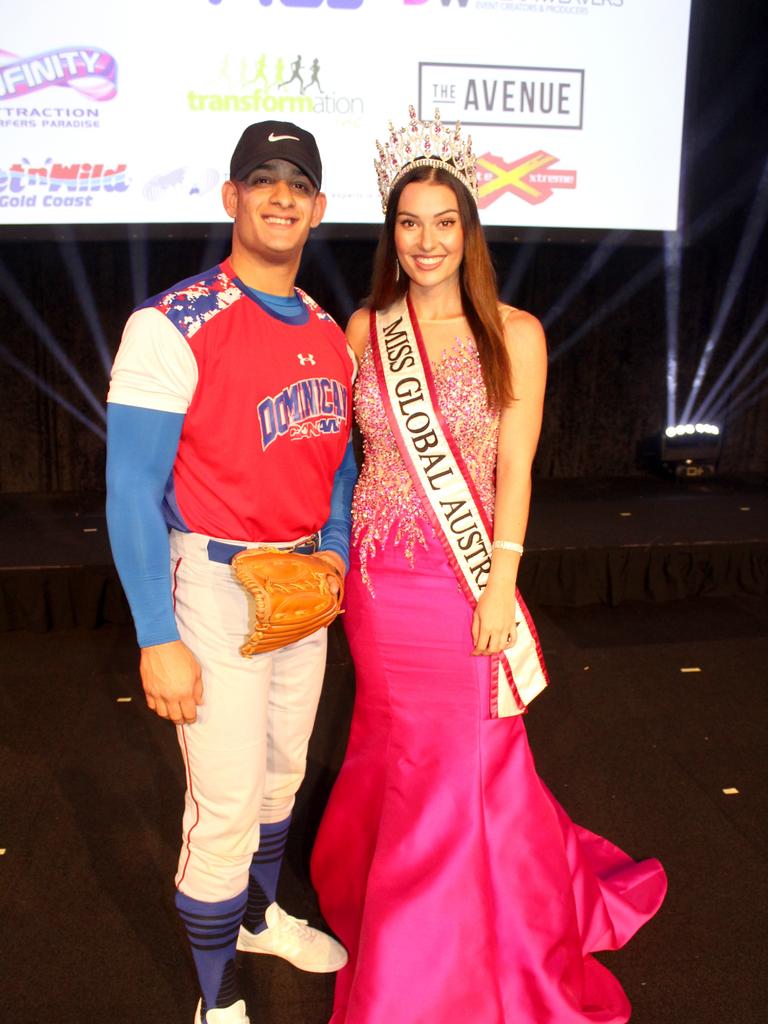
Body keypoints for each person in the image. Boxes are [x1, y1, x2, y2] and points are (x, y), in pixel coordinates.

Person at [310, 108, 667, 1024]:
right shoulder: (362, 329)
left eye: (444, 222)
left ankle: (446, 959)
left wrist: (502, 577)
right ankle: (397, 915)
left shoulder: (517, 332)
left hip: (467, 583)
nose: (425, 241)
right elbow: (346, 459)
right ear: (392, 232)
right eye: (408, 222)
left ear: (468, 230)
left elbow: (516, 467)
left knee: (466, 759)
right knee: (393, 754)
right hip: (380, 592)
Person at [106, 120, 356, 1024]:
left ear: (319, 210)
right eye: (263, 178)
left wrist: (333, 546)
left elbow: (339, 462)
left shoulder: (330, 334)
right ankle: (216, 1002)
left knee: (283, 776)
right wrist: (155, 638)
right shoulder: (171, 322)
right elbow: (131, 490)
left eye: (298, 182)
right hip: (211, 583)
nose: (282, 194)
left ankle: (257, 918)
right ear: (232, 198)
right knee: (224, 804)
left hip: (300, 586)